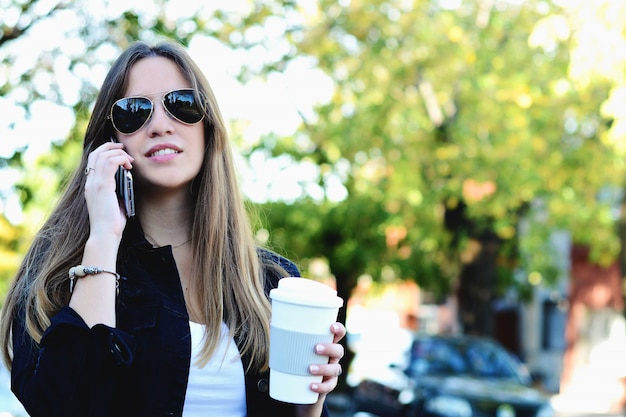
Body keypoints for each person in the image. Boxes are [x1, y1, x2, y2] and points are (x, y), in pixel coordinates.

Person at [0, 40, 345, 417]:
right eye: (134, 111)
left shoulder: (271, 282)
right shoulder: (56, 271)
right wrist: (102, 237)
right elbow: (63, 408)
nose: (160, 125)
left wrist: (311, 402)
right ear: (111, 139)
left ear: (208, 127)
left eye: (182, 105)